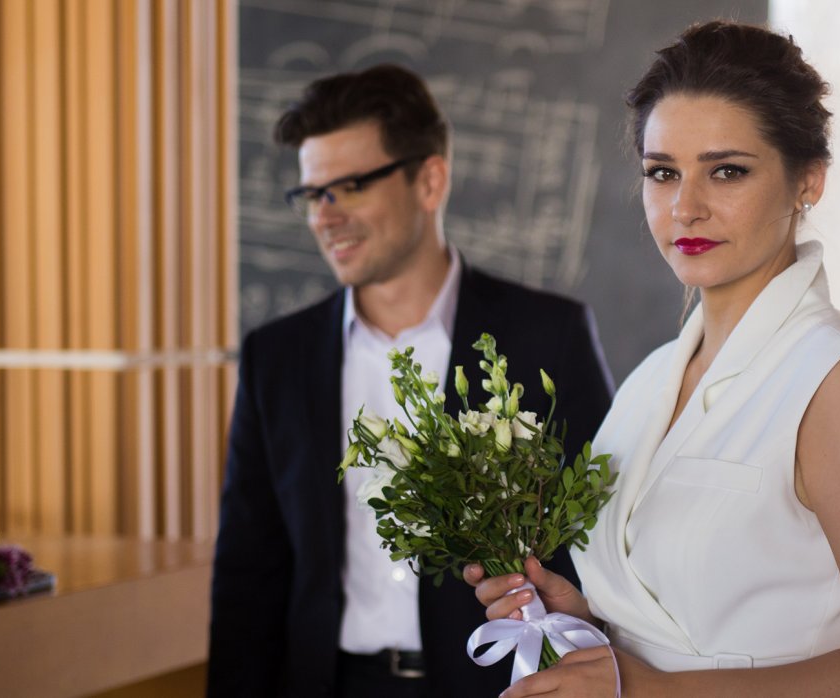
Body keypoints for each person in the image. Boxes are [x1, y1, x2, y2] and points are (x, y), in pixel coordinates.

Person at [466, 21, 840, 697]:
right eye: (663, 173)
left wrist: (647, 689)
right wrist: (587, 626)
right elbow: (682, 633)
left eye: (727, 171)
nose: (686, 207)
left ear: (808, 180)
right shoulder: (649, 382)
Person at [208, 64, 614, 697]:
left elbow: (605, 543)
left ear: (429, 180)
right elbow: (249, 573)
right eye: (313, 194)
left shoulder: (548, 335)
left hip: (500, 687)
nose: (325, 216)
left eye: (348, 187)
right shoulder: (277, 357)